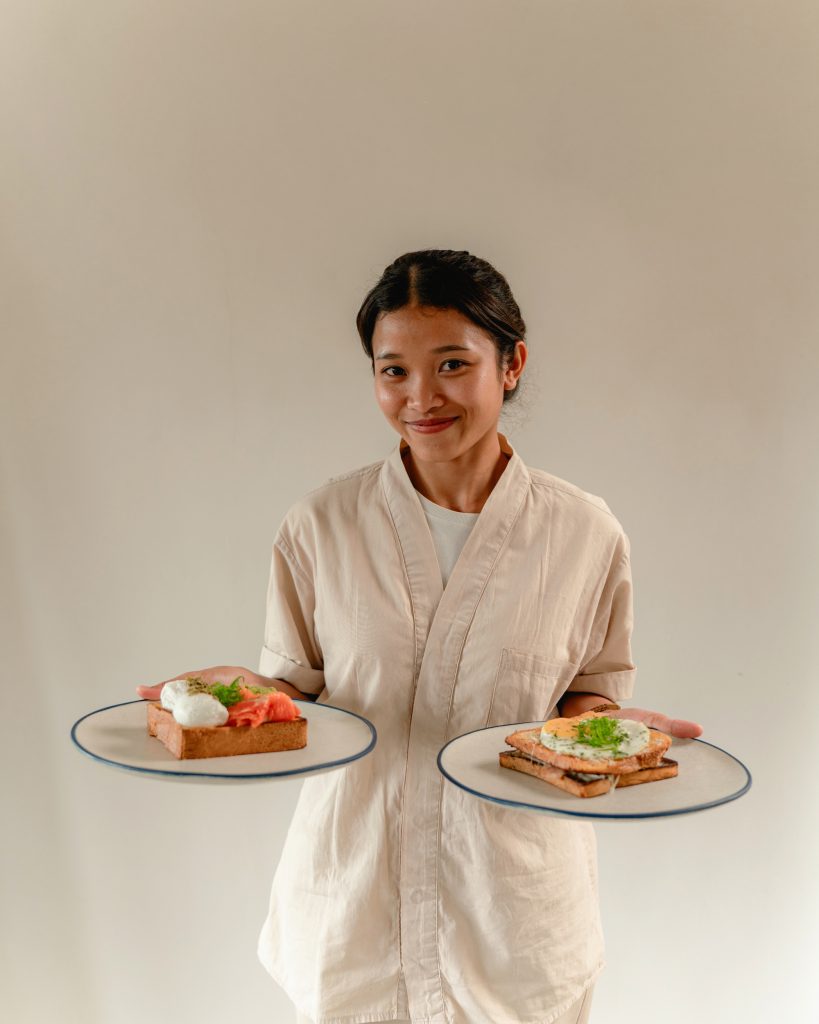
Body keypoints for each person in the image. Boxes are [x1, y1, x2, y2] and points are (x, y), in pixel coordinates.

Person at [138, 249, 702, 1024]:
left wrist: (601, 731)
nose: (419, 396)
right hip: (354, 899)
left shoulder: (583, 533)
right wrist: (233, 697)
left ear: (511, 364)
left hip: (513, 911)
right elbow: (294, 691)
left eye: (450, 364)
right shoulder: (321, 526)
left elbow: (584, 687)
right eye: (392, 369)